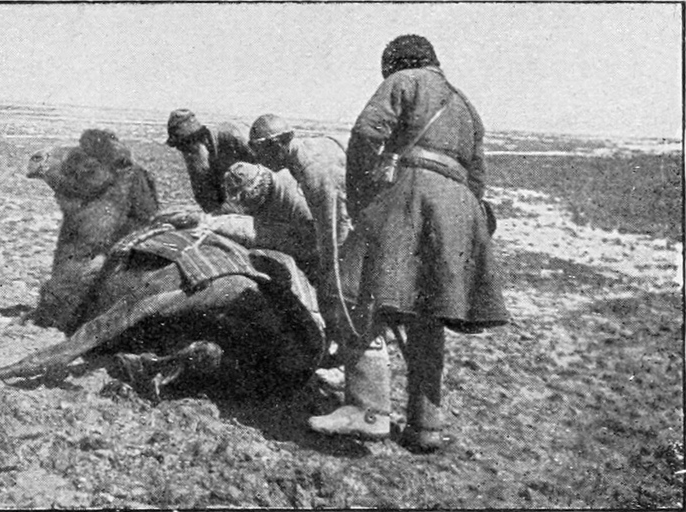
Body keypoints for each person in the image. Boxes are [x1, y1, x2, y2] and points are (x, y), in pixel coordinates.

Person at [307, 35, 509, 451]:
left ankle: (366, 410)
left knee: (348, 289)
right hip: (460, 208)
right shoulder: (467, 105)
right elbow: (477, 178)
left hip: (413, 193)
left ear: (395, 64)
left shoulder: (406, 81)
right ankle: (425, 426)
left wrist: (364, 198)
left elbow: (366, 134)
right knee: (428, 312)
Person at [246, 114, 352, 292]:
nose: (259, 159)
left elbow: (335, 230)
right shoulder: (303, 151)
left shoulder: (313, 172)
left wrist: (329, 275)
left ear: (277, 146)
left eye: (260, 151)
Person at [165, 109, 255, 212]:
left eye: (187, 147)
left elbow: (266, 172)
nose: (186, 154)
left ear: (201, 139)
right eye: (180, 148)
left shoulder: (234, 137)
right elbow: (205, 199)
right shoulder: (196, 161)